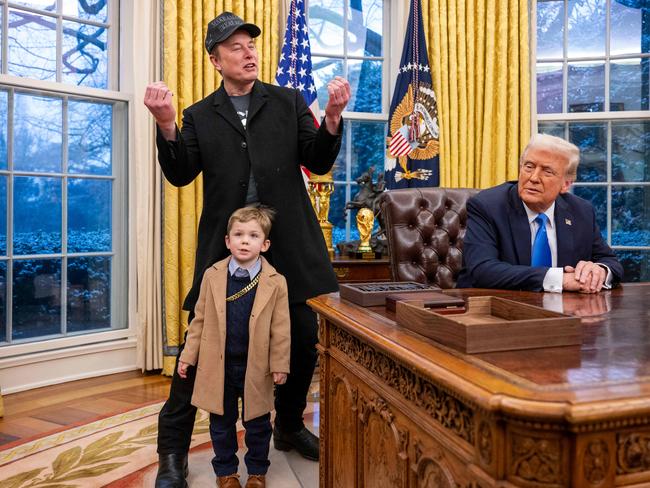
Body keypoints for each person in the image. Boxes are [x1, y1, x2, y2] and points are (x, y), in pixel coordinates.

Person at [144, 11, 350, 488]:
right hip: (228, 250)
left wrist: (333, 118)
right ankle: (171, 451)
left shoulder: (288, 101)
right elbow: (179, 173)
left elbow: (316, 160)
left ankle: (289, 424)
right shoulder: (198, 115)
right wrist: (168, 125)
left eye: (251, 45)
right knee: (202, 348)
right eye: (235, 47)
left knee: (301, 338)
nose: (249, 52)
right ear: (216, 60)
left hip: (291, 246)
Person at [177, 206, 290, 488]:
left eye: (253, 235)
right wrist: (186, 357)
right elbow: (199, 321)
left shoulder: (277, 282)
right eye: (238, 234)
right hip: (219, 366)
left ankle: (256, 472)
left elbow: (281, 328)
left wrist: (279, 364)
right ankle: (226, 473)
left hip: (257, 367)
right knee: (221, 423)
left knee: (258, 425)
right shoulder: (212, 276)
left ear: (264, 245)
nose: (244, 240)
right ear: (227, 241)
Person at [457, 133, 623, 293]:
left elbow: (611, 262)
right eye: (529, 167)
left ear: (566, 184)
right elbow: (482, 270)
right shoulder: (488, 206)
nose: (534, 178)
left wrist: (598, 271)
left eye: (547, 171)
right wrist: (560, 280)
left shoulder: (581, 211)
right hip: (493, 309)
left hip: (565, 312)